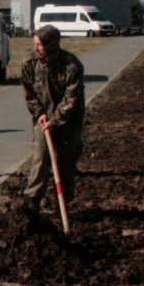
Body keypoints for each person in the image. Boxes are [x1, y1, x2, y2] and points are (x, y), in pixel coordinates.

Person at [21, 24, 85, 209]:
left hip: (68, 120)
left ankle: (63, 202)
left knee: (66, 160)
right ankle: (32, 200)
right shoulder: (29, 63)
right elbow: (29, 93)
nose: (36, 48)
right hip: (42, 118)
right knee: (40, 157)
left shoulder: (71, 66)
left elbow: (71, 100)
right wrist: (40, 114)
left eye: (40, 45)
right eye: (35, 44)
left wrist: (54, 121)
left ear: (51, 45)